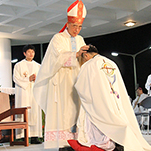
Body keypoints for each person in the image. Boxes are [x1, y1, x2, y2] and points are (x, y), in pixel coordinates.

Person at [69, 45, 151, 151]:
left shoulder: (89, 64)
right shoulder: (110, 62)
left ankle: (101, 143)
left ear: (86, 55)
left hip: (99, 102)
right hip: (114, 99)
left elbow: (81, 86)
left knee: (95, 120)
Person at [33, 0, 89, 149]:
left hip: (77, 80)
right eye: (74, 26)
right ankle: (64, 142)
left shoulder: (80, 39)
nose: (77, 30)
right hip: (62, 80)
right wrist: (76, 54)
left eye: (79, 26)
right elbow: (57, 58)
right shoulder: (58, 38)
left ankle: (78, 140)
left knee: (77, 109)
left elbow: (82, 59)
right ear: (68, 24)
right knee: (64, 111)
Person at [13, 44, 42, 144]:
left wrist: (36, 80)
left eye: (33, 52)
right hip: (24, 92)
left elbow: (42, 79)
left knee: (34, 112)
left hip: (34, 92)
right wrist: (27, 79)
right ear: (24, 53)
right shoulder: (18, 65)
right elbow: (16, 78)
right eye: (29, 52)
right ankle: (21, 136)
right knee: (23, 111)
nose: (31, 54)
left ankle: (34, 136)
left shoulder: (38, 66)